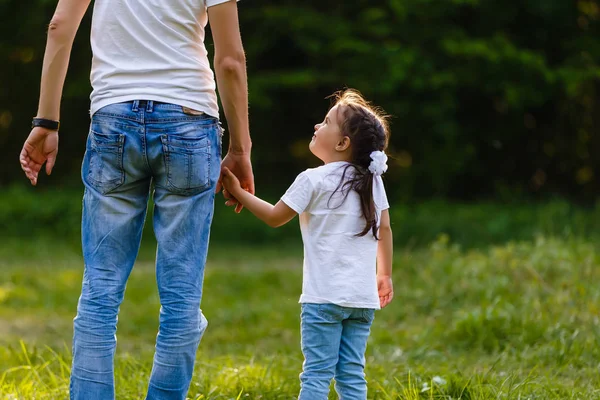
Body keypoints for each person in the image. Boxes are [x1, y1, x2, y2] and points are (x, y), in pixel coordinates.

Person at [18, 0, 253, 398]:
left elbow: (60, 26)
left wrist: (46, 121)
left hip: (113, 117)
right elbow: (230, 60)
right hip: (189, 120)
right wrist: (241, 148)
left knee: (101, 286)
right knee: (182, 296)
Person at [221, 89, 394, 400]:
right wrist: (384, 275)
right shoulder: (372, 181)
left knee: (316, 373)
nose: (318, 126)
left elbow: (275, 217)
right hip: (361, 300)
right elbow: (386, 229)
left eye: (327, 122)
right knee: (352, 372)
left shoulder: (313, 179)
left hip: (323, 298)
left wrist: (239, 192)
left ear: (343, 144)